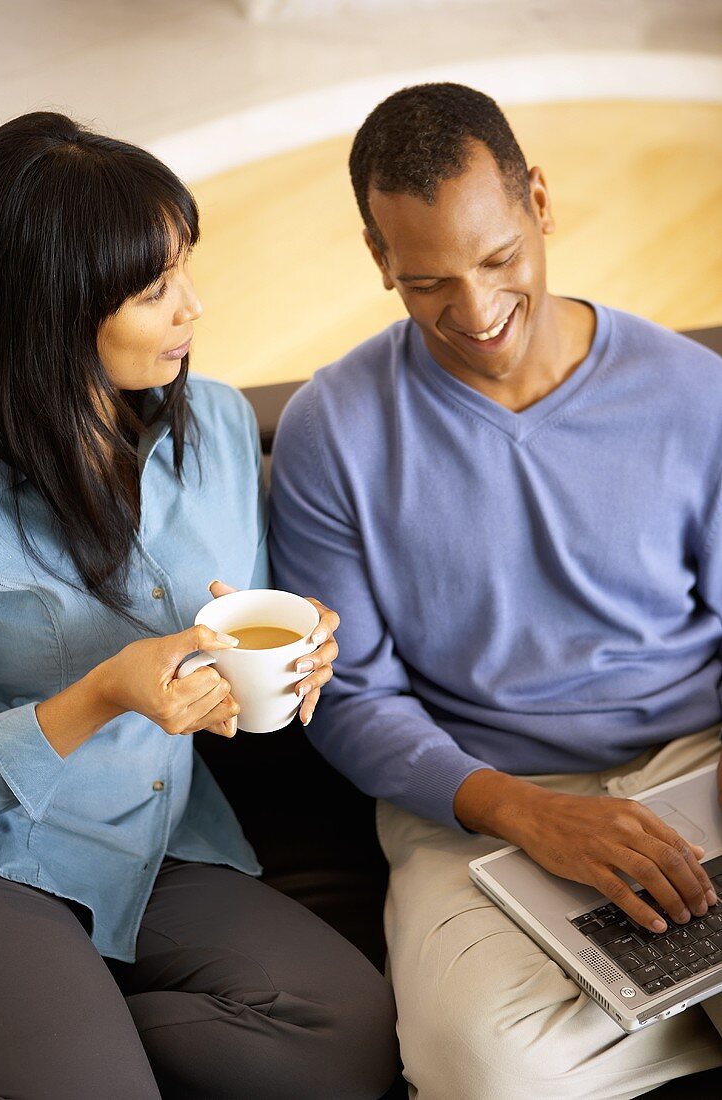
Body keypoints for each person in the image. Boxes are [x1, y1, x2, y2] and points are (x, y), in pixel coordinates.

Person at [269, 82, 722, 1097]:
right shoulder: (328, 432)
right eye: (425, 280)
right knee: (477, 1068)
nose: (473, 313)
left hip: (697, 755)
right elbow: (346, 697)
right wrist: (522, 810)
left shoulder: (693, 396)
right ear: (378, 258)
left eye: (497, 259)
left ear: (540, 205)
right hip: (474, 794)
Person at [0, 111, 398, 1100]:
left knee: (344, 1038)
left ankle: (78, 1031)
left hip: (160, 833)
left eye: (185, 270)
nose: (193, 307)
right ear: (50, 309)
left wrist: (304, 649)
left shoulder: (212, 423)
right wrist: (99, 694)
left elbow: (248, 607)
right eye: (154, 289)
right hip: (6, 850)